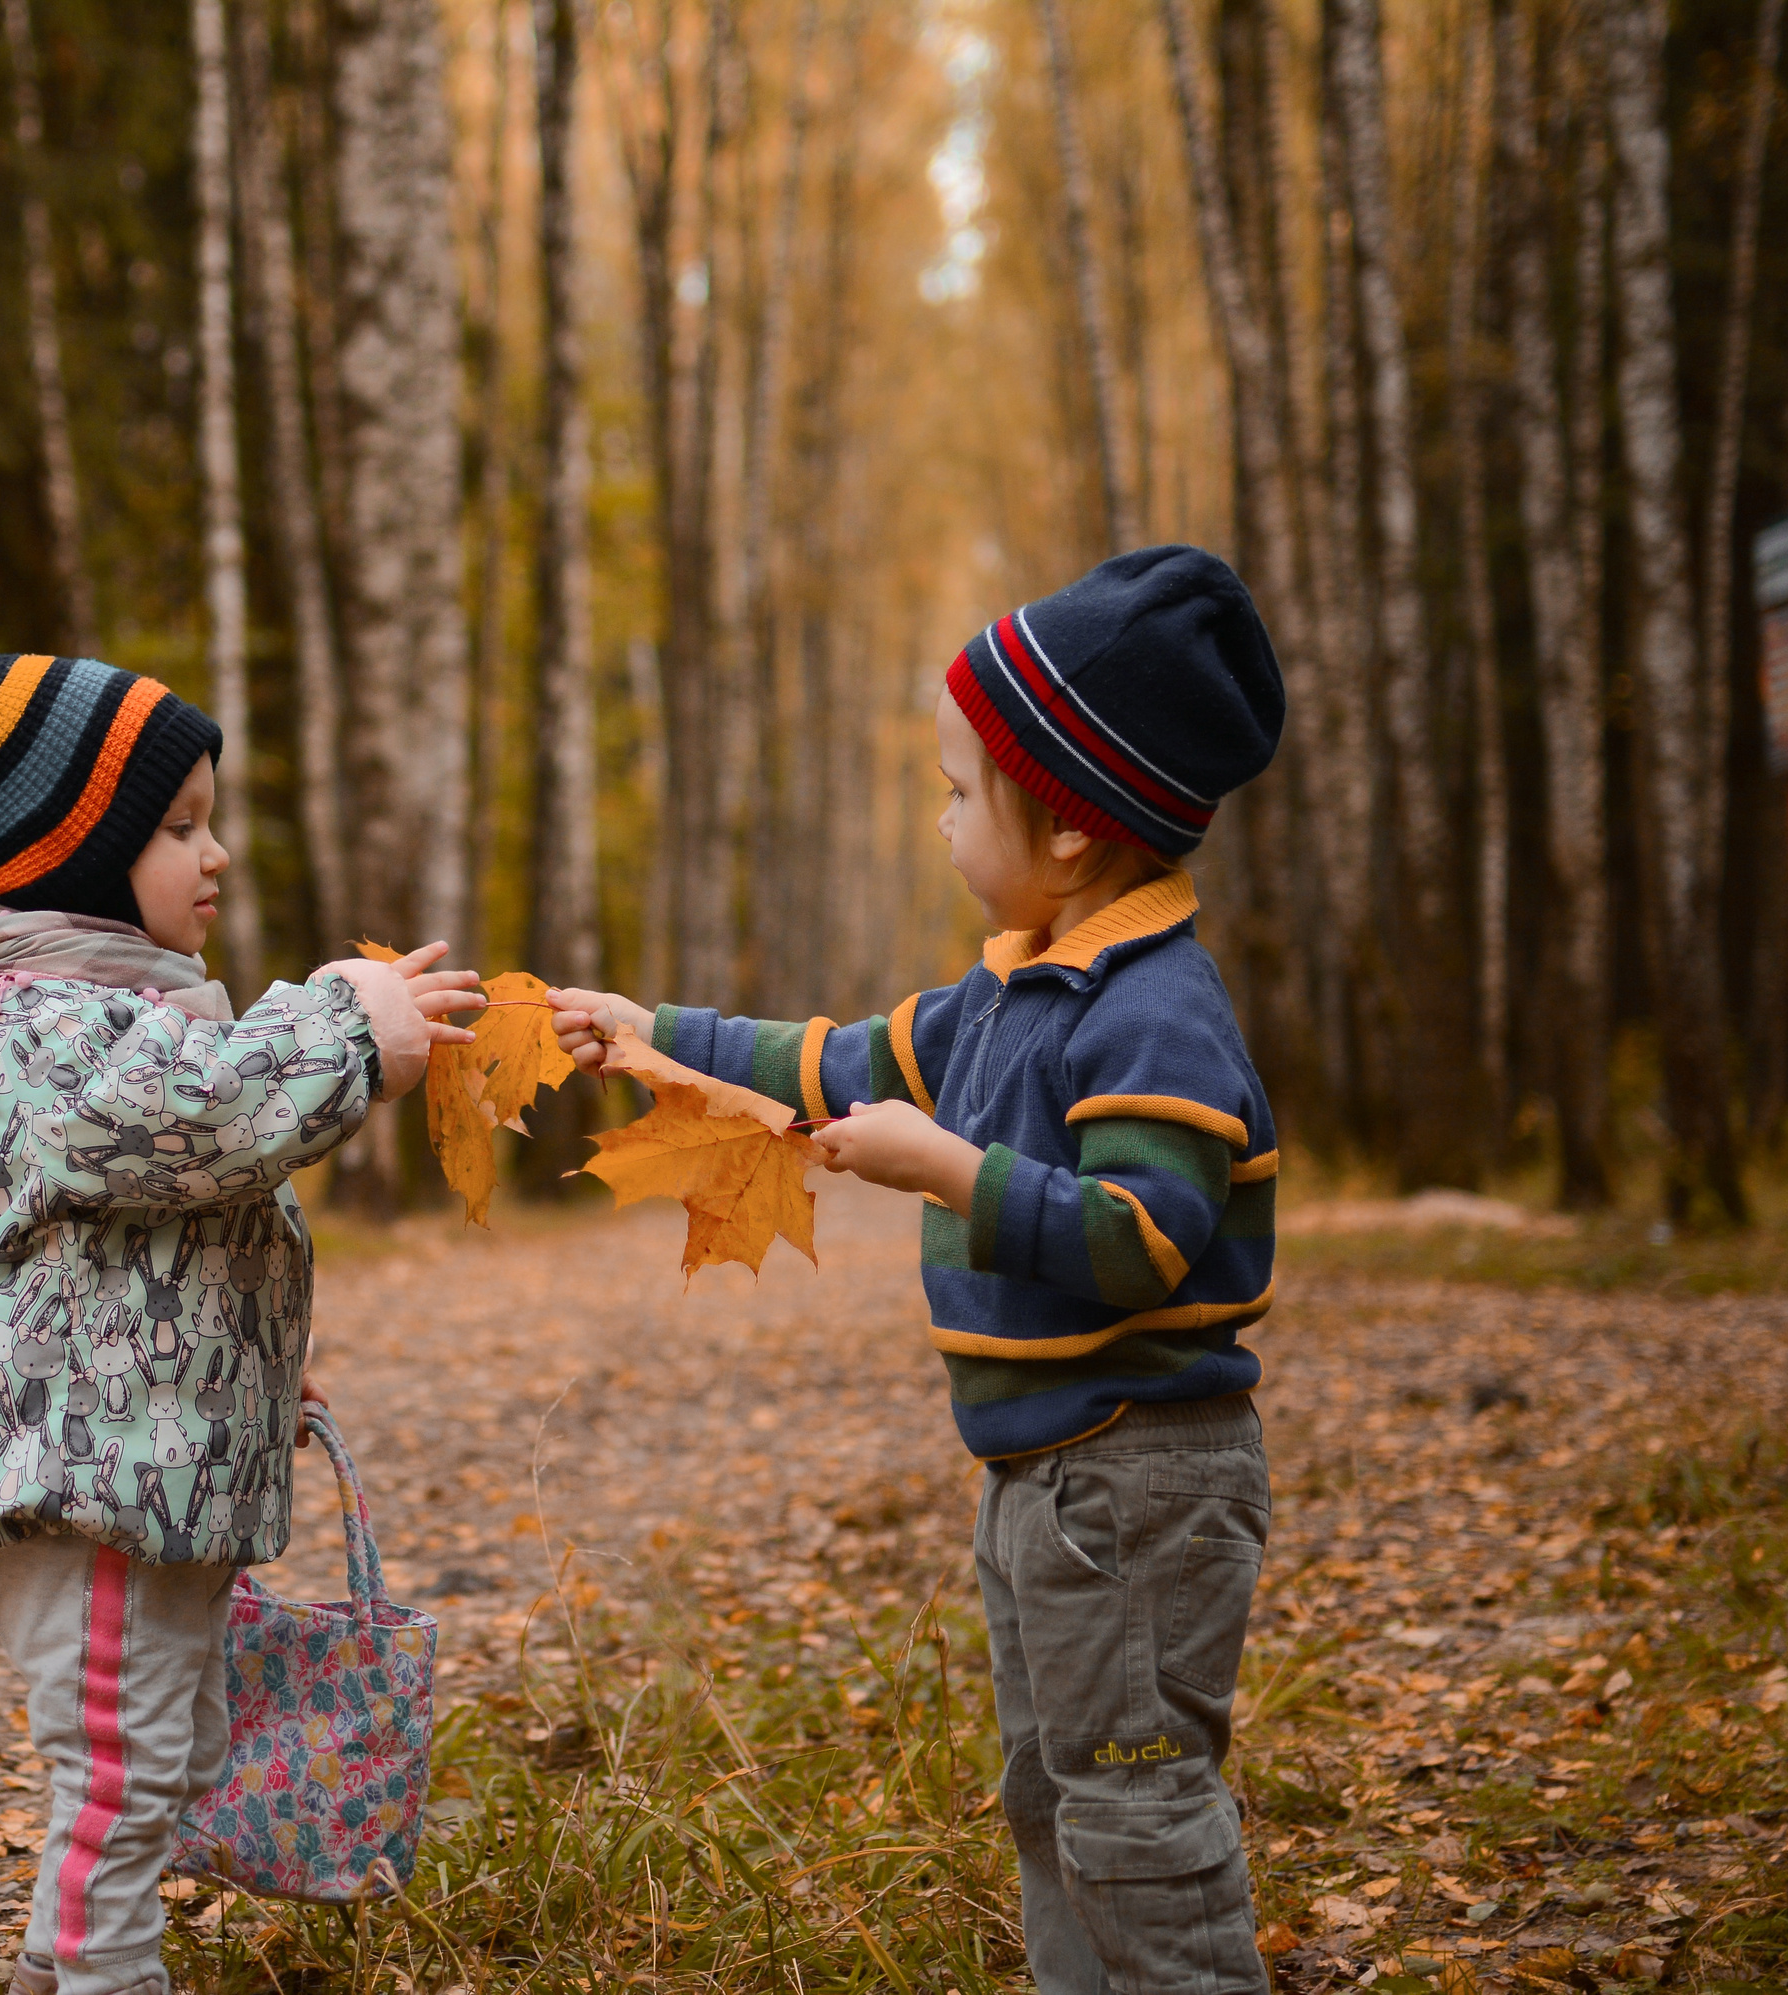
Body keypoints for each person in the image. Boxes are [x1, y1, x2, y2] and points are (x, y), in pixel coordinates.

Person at [550, 547, 1287, 1993]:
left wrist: (948, 1171)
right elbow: (834, 1059)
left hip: (1142, 1484)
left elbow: (1145, 1240)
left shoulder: (1154, 1013)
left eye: (961, 792)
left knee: (1135, 1805)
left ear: (1070, 829)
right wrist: (659, 1030)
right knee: (1055, 1792)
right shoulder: (1008, 984)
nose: (941, 819)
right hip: (1049, 1483)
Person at [0, 625, 481, 1995]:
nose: (218, 856)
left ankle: (57, 1959)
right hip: (78, 1479)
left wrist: (252, 1364)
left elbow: (166, 1227)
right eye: (182, 826)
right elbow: (189, 1124)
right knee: (124, 1759)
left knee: (174, 1744)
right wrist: (344, 1025)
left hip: (146, 1453)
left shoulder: (122, 1007)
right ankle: (100, 1975)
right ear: (76, 851)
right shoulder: (40, 1017)